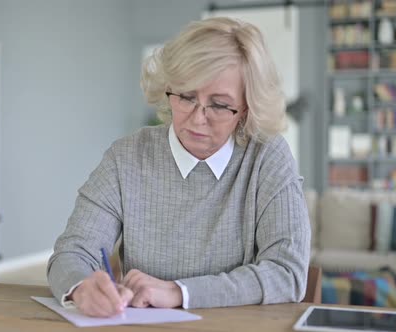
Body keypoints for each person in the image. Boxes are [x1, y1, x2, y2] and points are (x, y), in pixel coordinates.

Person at [47, 16, 311, 317]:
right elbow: (72, 251)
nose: (197, 118)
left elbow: (287, 273)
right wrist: (82, 287)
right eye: (186, 97)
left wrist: (179, 292)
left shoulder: (267, 157)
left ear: (246, 108)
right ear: (168, 89)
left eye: (220, 105)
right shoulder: (127, 157)